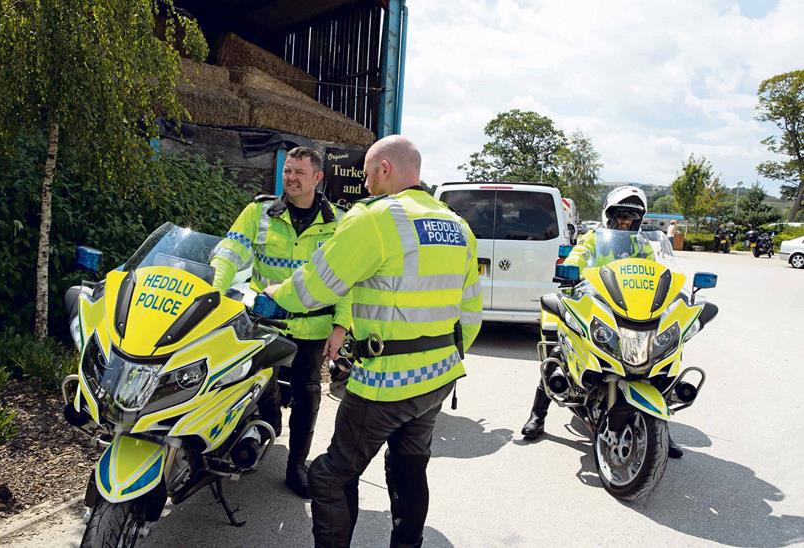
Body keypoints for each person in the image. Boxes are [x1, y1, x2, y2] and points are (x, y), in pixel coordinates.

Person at [264, 135, 482, 548]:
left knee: (329, 475)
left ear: (385, 169)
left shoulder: (377, 219)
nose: (364, 184)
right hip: (439, 378)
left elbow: (315, 286)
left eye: (367, 175)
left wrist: (272, 296)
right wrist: (442, 358)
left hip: (385, 381)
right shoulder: (458, 226)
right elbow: (470, 315)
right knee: (409, 468)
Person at [209, 146, 352, 499]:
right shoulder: (259, 212)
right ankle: (267, 425)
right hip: (264, 323)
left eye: (299, 173)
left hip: (313, 328)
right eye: (287, 171)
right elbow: (230, 252)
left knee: (307, 395)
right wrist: (211, 295)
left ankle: (297, 466)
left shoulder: (338, 222)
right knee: (256, 384)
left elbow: (348, 279)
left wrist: (341, 326)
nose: (290, 178)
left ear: (318, 178)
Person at [520, 185, 684, 459]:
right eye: (621, 215)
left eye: (632, 216)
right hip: (596, 305)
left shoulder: (642, 245)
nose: (626, 221)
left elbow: (660, 270)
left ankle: (660, 430)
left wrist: (670, 289)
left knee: (659, 361)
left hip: (632, 310)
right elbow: (577, 257)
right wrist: (570, 273)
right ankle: (538, 415)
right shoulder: (594, 238)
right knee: (561, 354)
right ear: (610, 215)